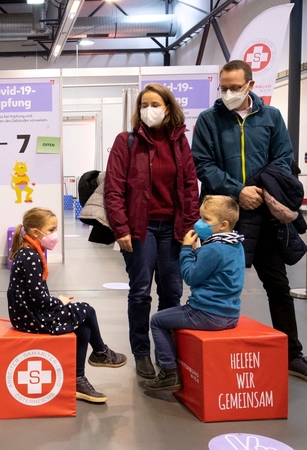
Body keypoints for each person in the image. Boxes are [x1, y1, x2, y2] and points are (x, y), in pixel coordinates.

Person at [192, 60, 307, 385]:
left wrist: (260, 189)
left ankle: (292, 355)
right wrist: (238, 191)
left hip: (263, 213)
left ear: (250, 86)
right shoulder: (209, 120)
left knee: (278, 285)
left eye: (234, 87)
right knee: (214, 284)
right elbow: (203, 163)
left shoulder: (271, 117)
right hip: (223, 214)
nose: (227, 93)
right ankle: (213, 356)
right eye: (223, 87)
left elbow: (283, 158)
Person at [104, 83, 200, 379]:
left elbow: (189, 188)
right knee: (140, 292)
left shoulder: (180, 143)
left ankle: (166, 352)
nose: (149, 110)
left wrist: (188, 227)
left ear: (168, 107)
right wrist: (120, 229)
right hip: (139, 229)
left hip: (173, 229)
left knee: (172, 292)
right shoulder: (127, 141)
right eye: (144, 105)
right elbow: (113, 188)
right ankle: (142, 352)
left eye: (155, 104)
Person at [8, 207, 127, 403]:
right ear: (36, 232)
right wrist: (59, 301)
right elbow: (39, 299)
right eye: (51, 230)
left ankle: (78, 379)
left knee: (84, 328)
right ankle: (101, 353)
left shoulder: (28, 251)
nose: (55, 235)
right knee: (87, 310)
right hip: (31, 317)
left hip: (27, 313)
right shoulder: (31, 257)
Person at [146, 196, 244, 390]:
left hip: (206, 314)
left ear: (223, 224)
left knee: (157, 321)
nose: (199, 223)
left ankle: (169, 371)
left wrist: (185, 250)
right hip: (231, 314)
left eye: (206, 219)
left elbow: (191, 277)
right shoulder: (236, 244)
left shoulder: (214, 248)